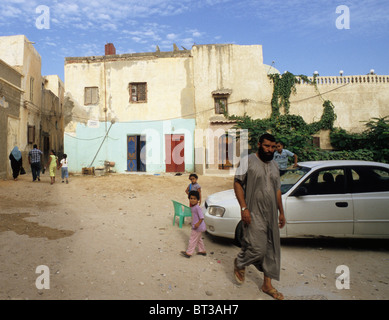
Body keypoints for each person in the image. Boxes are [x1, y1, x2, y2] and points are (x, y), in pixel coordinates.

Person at [233, 133, 286, 300]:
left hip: (271, 213)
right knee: (258, 248)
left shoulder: (276, 166)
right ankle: (240, 262)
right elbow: (237, 183)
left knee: (272, 249)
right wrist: (244, 208)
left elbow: (277, 190)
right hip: (254, 211)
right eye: (266, 146)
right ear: (259, 144)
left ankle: (267, 285)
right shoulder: (246, 161)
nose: (270, 150)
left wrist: (281, 212)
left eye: (273, 147)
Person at [180, 190, 207, 258]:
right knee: (198, 239)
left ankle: (189, 253)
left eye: (194, 199)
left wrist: (197, 224)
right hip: (197, 226)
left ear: (198, 200)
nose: (192, 200)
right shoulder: (193, 207)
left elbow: (201, 217)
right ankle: (202, 250)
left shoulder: (197, 208)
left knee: (192, 239)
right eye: (191, 198)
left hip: (197, 227)